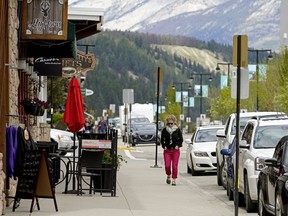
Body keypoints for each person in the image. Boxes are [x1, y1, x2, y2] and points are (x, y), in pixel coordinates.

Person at [160, 115, 183, 186]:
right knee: (167, 165)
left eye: (171, 123)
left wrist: (178, 145)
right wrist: (164, 146)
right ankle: (168, 174)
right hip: (167, 150)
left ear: (174, 123)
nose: (170, 125)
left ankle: (174, 179)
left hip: (175, 150)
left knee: (174, 166)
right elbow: (162, 140)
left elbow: (181, 140)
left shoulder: (178, 130)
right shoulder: (164, 130)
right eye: (168, 123)